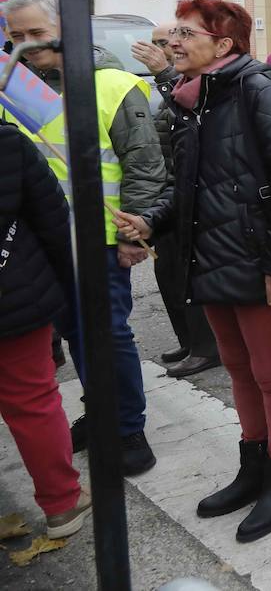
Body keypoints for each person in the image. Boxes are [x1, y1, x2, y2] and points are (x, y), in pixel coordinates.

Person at [114, 0, 271, 543]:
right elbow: (189, 184)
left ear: (222, 45)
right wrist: (152, 221)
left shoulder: (255, 88)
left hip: (258, 263)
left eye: (184, 32)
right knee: (239, 369)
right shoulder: (193, 98)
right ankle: (253, 468)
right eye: (171, 33)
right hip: (216, 257)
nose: (171, 42)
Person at [1, 0, 164, 476]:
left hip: (102, 238)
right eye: (14, 37)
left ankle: (128, 428)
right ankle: (101, 414)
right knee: (75, 333)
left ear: (65, 28)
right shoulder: (12, 88)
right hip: (43, 244)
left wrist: (136, 234)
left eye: (35, 33)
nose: (26, 45)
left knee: (108, 334)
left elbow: (145, 165)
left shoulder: (113, 84)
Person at [0, 124, 91, 539]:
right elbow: (54, 220)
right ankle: (62, 503)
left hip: (17, 294)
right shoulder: (6, 140)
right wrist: (66, 288)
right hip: (15, 293)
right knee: (33, 400)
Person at [131, 24, 220, 377]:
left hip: (188, 192)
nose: (163, 49)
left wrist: (164, 75)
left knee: (188, 272)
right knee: (166, 271)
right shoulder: (170, 79)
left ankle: (206, 346)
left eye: (166, 42)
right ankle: (188, 339)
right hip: (167, 188)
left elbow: (192, 112)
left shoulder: (190, 77)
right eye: (155, 43)